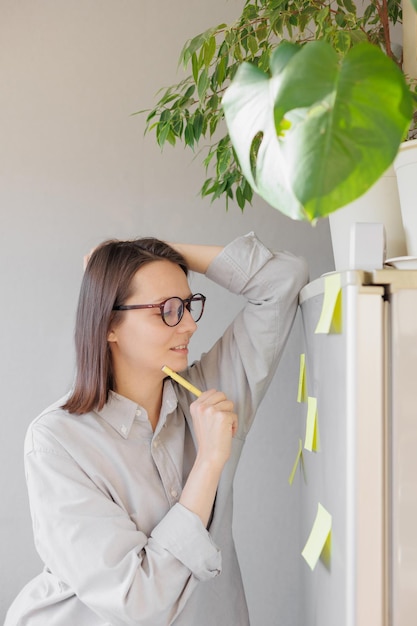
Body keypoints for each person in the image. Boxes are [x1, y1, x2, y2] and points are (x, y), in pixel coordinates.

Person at [5, 232, 308, 626]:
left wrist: (149, 253)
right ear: (108, 324)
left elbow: (285, 278)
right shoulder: (56, 443)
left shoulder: (210, 395)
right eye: (167, 309)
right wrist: (208, 464)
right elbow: (139, 601)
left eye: (187, 305)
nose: (188, 325)